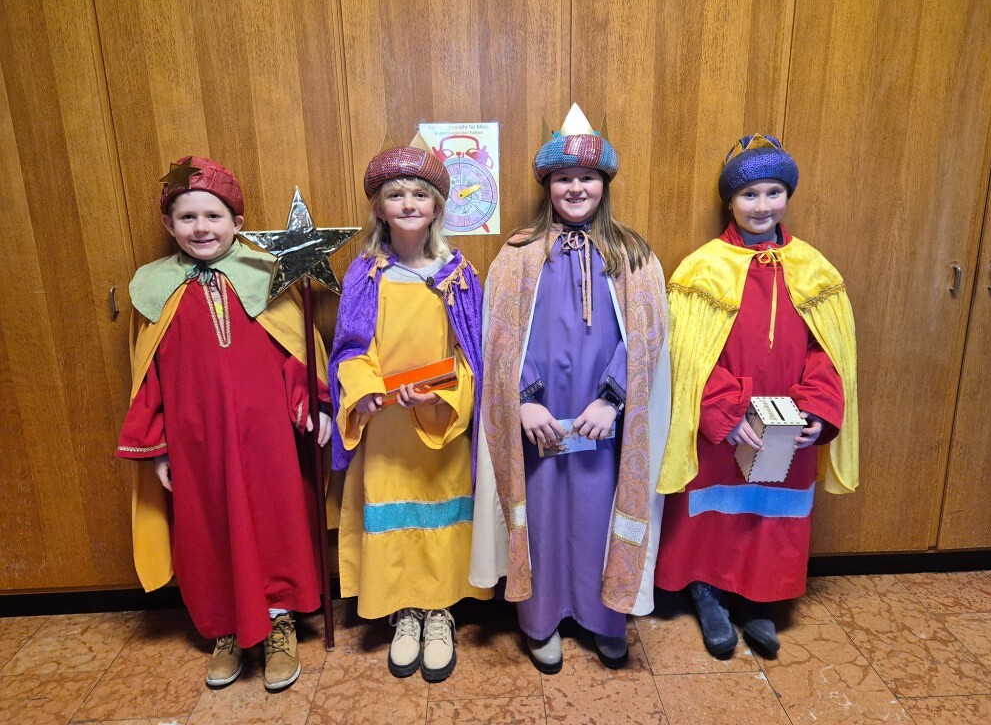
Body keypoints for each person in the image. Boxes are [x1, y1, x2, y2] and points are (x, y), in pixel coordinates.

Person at [116, 156, 331, 690]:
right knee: (209, 529)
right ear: (169, 225)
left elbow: (294, 352)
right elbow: (149, 377)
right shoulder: (155, 288)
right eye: (187, 217)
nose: (201, 228)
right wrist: (158, 446)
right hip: (197, 442)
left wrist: (312, 401)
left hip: (268, 438)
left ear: (237, 221)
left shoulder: (266, 274)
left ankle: (279, 621)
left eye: (212, 216)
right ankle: (227, 628)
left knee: (276, 519)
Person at [470, 105, 669, 674]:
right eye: (564, 178)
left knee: (597, 513)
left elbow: (648, 335)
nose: (576, 187)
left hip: (600, 420)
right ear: (548, 184)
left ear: (604, 183)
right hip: (539, 417)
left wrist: (612, 400)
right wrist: (524, 401)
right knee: (543, 514)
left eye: (587, 177)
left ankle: (604, 620)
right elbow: (500, 337)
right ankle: (540, 622)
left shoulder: (632, 254)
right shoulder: (518, 254)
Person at [655, 134, 859, 657]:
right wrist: (724, 412)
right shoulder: (702, 269)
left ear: (788, 196)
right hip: (724, 422)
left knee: (773, 509)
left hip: (787, 422)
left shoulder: (814, 269)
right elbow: (689, 358)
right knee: (712, 506)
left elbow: (828, 352)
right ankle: (707, 592)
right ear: (730, 201)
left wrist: (816, 409)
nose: (762, 205)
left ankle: (759, 598)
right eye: (749, 194)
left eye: (773, 192)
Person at [328, 141, 491, 683]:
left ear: (437, 206)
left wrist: (443, 396)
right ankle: (403, 611)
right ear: (379, 208)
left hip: (441, 420)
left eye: (420, 194)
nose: (408, 203)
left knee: (441, 511)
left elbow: (473, 354)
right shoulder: (365, 274)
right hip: (387, 426)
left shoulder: (458, 273)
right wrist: (366, 391)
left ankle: (439, 610)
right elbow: (350, 349)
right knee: (394, 512)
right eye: (395, 195)